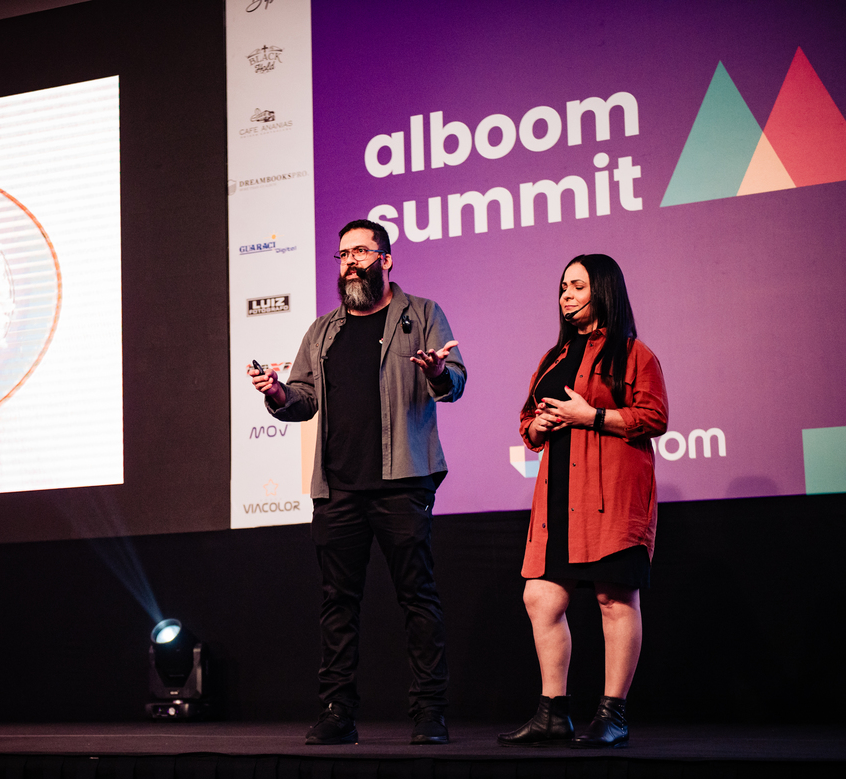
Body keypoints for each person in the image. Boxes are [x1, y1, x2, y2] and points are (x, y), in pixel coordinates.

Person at [248, 219, 465, 745]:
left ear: (386, 260)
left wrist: (436, 372)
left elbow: (454, 382)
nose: (350, 262)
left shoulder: (422, 314)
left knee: (418, 598)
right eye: (344, 254)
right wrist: (276, 392)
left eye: (362, 252)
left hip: (403, 482)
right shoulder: (323, 331)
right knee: (337, 604)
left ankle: (429, 712)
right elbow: (301, 400)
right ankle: (337, 712)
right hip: (338, 489)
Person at [498, 254, 667, 749]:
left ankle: (613, 714)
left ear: (604, 291)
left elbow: (654, 417)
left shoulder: (635, 354)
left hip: (612, 492)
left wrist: (590, 416)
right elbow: (528, 421)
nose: (565, 295)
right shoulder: (554, 357)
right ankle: (553, 713)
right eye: (562, 287)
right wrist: (538, 425)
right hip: (558, 497)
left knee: (614, 599)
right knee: (541, 597)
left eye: (576, 286)